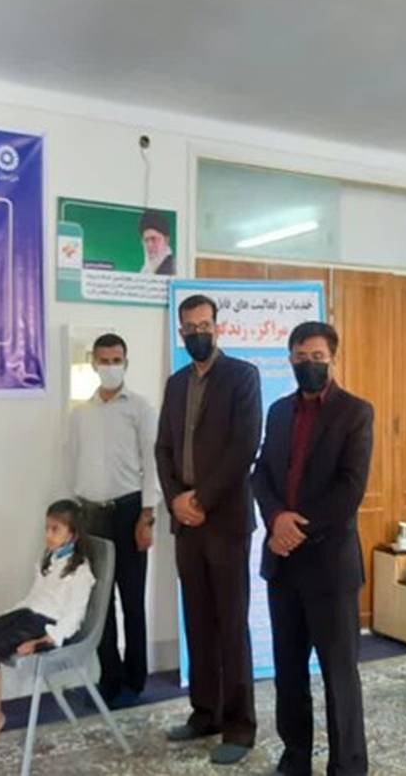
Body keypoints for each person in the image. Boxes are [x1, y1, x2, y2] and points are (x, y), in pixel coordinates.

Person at [252, 321, 374, 776]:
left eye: (318, 357)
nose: (309, 365)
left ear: (333, 359)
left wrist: (295, 527)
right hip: (283, 564)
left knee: (339, 676)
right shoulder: (279, 412)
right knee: (288, 672)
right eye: (301, 358)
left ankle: (348, 766)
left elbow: (349, 489)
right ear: (290, 360)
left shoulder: (356, 413)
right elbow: (261, 473)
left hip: (330, 566)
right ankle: (295, 756)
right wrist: (275, 519)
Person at [155, 294, 261, 766]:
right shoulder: (176, 384)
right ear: (181, 333)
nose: (198, 332)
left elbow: (245, 445)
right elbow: (162, 448)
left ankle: (239, 726)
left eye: (205, 325)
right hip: (186, 523)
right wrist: (176, 500)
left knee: (230, 624)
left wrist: (201, 500)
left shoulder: (242, 376)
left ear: (218, 327)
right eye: (190, 327)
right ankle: (205, 713)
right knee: (197, 621)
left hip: (225, 520)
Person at [0, 499, 96, 756]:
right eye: (47, 528)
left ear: (73, 534)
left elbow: (73, 619)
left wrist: (41, 642)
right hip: (28, 614)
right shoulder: (48, 559)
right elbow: (33, 598)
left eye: (55, 529)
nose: (48, 534)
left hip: (46, 624)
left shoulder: (81, 573)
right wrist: (7, 619)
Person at [66, 332, 158, 709]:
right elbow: (72, 462)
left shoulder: (140, 408)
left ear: (126, 363)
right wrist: (73, 519)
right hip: (91, 514)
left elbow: (152, 463)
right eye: (103, 361)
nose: (110, 367)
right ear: (93, 364)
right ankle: (110, 678)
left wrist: (147, 516)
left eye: (116, 360)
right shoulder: (80, 414)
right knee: (99, 603)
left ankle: (135, 679)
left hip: (129, 511)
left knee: (132, 599)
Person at [138, 210, 175, 276]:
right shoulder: (146, 269)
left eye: (154, 239)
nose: (149, 245)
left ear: (166, 240)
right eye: (146, 240)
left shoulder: (174, 269)